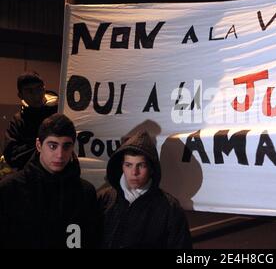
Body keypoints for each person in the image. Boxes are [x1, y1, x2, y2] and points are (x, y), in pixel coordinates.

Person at [0, 114, 100, 248]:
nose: (60, 155)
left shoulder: (86, 192)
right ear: (39, 145)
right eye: (53, 146)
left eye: (66, 146)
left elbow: (90, 241)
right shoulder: (10, 189)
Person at [97, 131, 192, 249]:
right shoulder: (104, 198)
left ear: (152, 168)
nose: (134, 173)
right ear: (121, 166)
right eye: (128, 165)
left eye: (141, 165)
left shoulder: (169, 208)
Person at [3, 71, 58, 170]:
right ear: (20, 95)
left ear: (44, 89)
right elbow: (11, 155)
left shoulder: (58, 113)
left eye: (39, 89)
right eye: (29, 91)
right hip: (29, 176)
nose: (36, 95)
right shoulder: (18, 120)